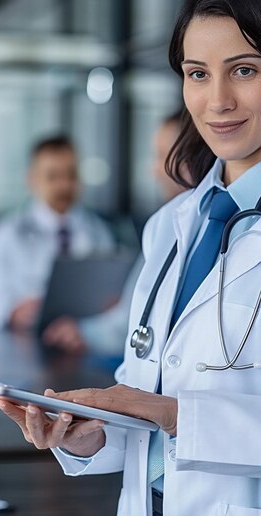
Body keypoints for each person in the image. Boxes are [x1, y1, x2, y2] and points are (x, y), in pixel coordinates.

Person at [0, 1, 261, 516]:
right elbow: (145, 386)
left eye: (244, 70)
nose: (217, 99)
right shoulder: (171, 226)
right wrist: (90, 431)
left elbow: (170, 408)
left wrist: (171, 415)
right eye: (197, 73)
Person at [43, 112, 187, 355]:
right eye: (53, 177)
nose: (154, 171)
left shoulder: (173, 226)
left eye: (162, 156)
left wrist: (92, 327)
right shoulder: (166, 225)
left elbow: (131, 320)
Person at [0, 136, 115, 330]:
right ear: (32, 180)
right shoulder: (5, 235)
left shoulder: (98, 232)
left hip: (81, 341)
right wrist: (12, 311)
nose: (64, 186)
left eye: (71, 175)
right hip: (23, 345)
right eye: (52, 177)